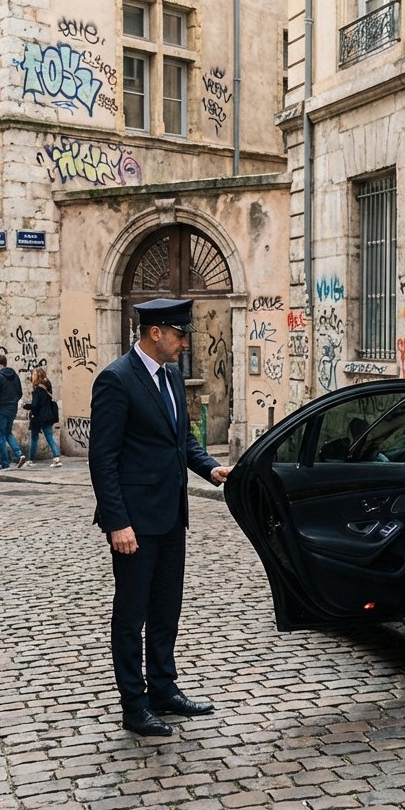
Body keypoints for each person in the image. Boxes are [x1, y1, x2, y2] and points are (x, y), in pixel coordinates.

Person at [89, 298, 231, 738]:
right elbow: (103, 459)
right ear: (155, 332)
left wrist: (211, 468)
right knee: (131, 615)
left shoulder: (170, 376)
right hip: (134, 523)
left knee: (166, 608)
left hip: (171, 517)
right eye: (179, 334)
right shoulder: (116, 380)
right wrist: (117, 522)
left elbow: (181, 440)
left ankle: (163, 690)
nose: (184, 342)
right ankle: (134, 704)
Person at [0, 352, 26, 470]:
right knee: (8, 433)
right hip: (12, 409)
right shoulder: (14, 375)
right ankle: (20, 454)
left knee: (0, 437)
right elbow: (20, 392)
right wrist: (12, 401)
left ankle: (5, 463)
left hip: (0, 409)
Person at [22, 366, 61, 467]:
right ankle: (57, 458)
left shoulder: (37, 391)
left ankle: (30, 460)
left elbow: (35, 406)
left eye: (33, 375)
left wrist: (25, 406)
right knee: (49, 437)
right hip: (48, 416)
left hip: (38, 417)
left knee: (34, 438)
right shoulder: (48, 387)